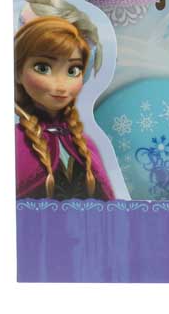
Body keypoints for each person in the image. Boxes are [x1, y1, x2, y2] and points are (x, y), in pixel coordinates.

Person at [15, 16, 114, 200]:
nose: (61, 85)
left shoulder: (83, 144)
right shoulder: (17, 143)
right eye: (43, 68)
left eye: (73, 70)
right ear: (18, 72)